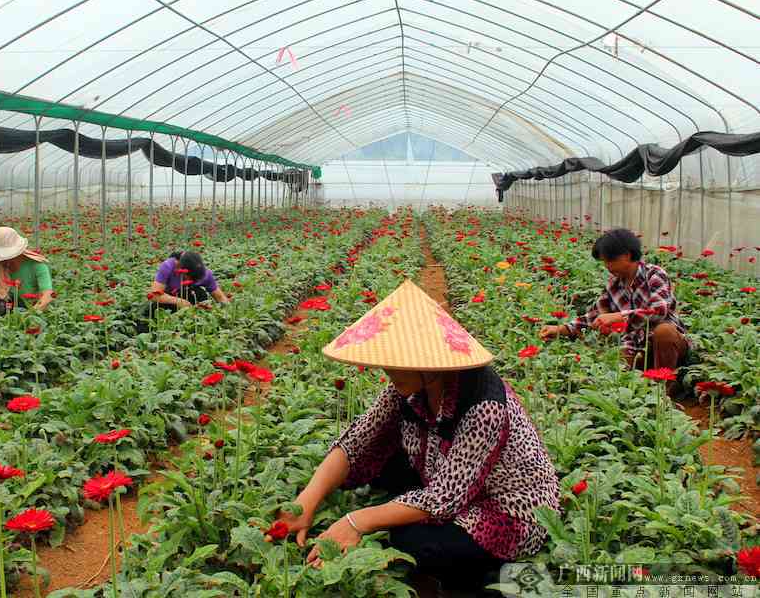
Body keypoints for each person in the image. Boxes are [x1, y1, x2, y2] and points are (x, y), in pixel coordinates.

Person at [274, 280, 560, 594]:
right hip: (445, 475)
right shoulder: (407, 385)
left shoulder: (484, 404)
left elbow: (444, 498)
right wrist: (304, 503)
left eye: (395, 361)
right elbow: (356, 440)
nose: (386, 369)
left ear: (427, 362)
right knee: (377, 467)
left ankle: (482, 581)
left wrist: (357, 521)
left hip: (508, 509)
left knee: (411, 543)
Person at [539, 228, 689, 397]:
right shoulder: (614, 285)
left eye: (610, 260)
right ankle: (641, 394)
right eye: (604, 262)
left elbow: (659, 310)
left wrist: (619, 316)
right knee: (614, 367)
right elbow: (594, 316)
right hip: (635, 347)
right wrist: (560, 329)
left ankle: (664, 390)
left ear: (626, 255)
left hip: (667, 347)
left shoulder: (654, 275)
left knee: (664, 331)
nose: (607, 266)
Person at [0, 227, 54, 316]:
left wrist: (29, 316)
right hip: (5, 308)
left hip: (32, 308)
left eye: (3, 255)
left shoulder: (37, 266)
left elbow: (47, 296)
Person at [147, 251, 229, 311]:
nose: (190, 281)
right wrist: (179, 301)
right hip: (170, 299)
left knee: (201, 294)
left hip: (192, 300)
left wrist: (227, 312)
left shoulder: (206, 274)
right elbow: (155, 295)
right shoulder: (168, 266)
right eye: (189, 278)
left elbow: (220, 297)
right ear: (180, 268)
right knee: (153, 308)